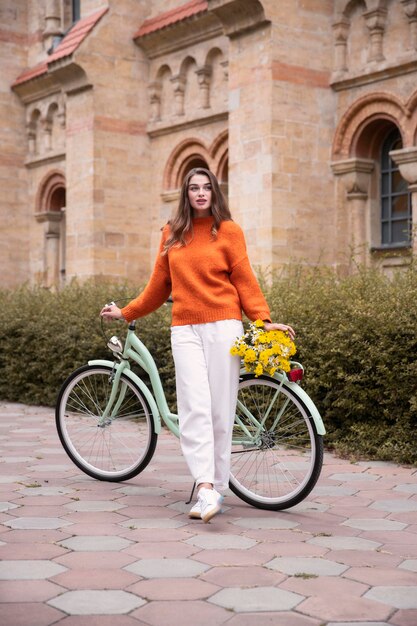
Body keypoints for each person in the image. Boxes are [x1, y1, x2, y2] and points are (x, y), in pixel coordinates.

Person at [100, 167, 295, 523]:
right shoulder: (172, 233)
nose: (201, 193)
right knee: (194, 408)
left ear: (215, 193)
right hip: (185, 329)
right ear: (186, 194)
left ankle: (217, 487)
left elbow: (245, 280)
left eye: (207, 187)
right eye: (194, 188)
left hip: (224, 326)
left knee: (221, 410)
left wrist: (263, 320)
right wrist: (125, 310)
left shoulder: (229, 231)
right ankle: (205, 487)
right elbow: (159, 286)